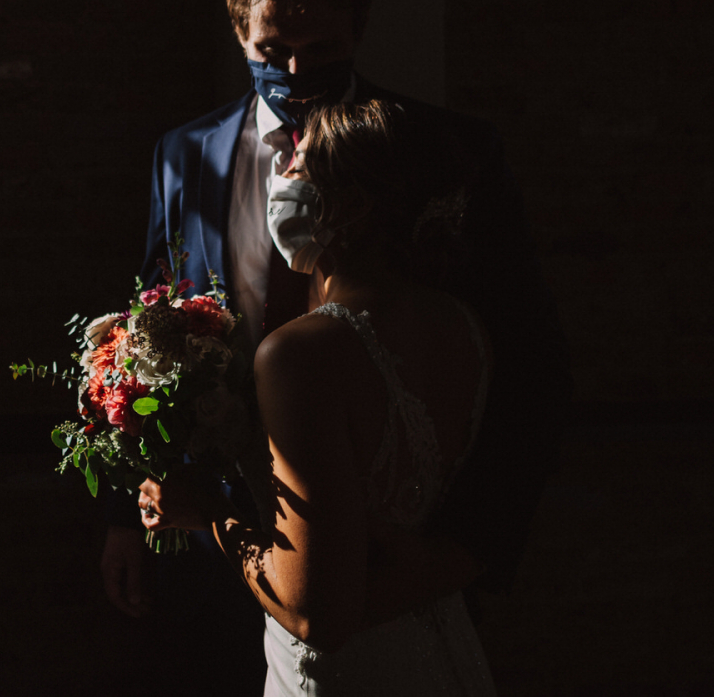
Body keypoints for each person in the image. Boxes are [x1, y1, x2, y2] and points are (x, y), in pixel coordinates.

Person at [100, 0, 570, 691]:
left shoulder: (443, 153)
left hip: (396, 554)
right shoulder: (185, 156)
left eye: (320, 48)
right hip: (220, 538)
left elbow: (530, 361)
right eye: (273, 50)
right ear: (239, 33)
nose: (296, 70)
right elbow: (151, 328)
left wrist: (459, 553)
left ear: (358, 26)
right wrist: (131, 511)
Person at [139, 99, 497, 695]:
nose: (280, 180)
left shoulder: (300, 354)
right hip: (441, 648)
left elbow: (315, 617)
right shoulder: (463, 325)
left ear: (350, 206)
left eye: (297, 167)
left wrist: (210, 517)